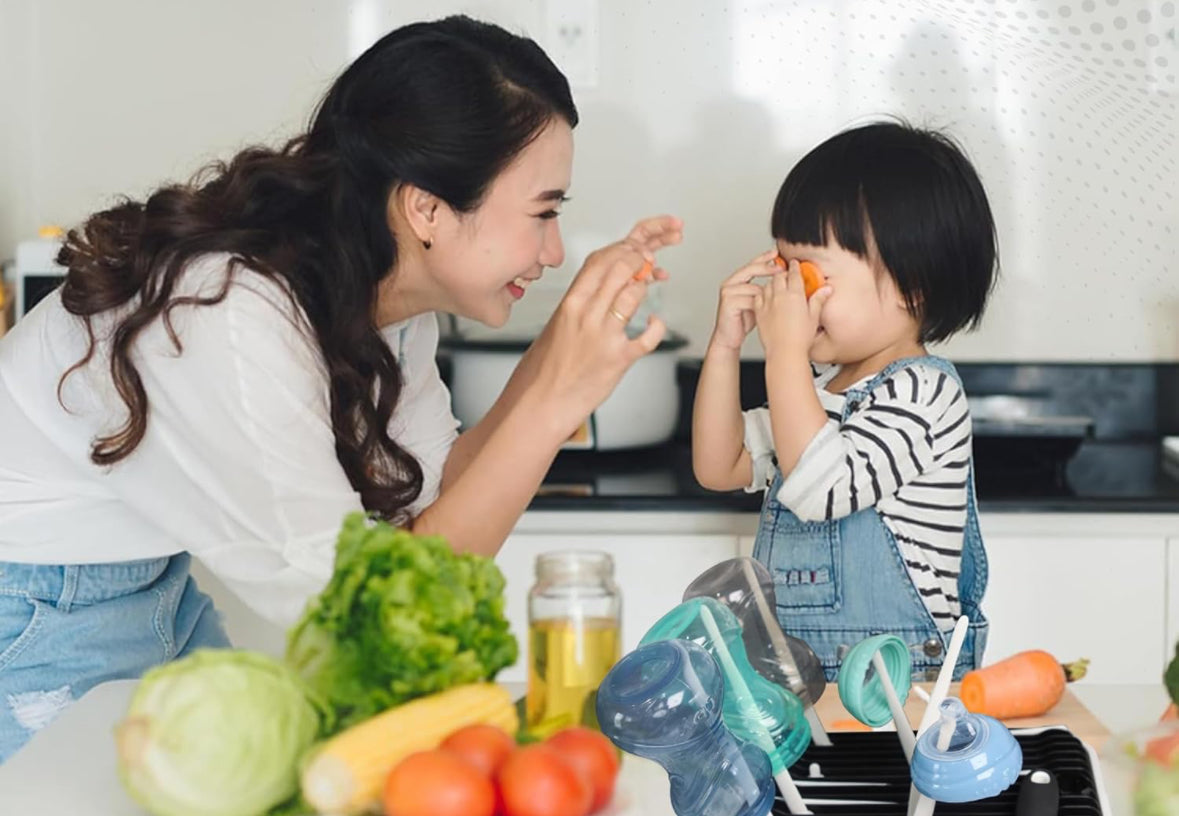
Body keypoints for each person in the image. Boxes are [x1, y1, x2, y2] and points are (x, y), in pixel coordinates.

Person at [0, 15, 681, 762]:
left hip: (148, 593)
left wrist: (565, 355)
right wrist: (553, 404)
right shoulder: (226, 313)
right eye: (543, 213)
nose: (553, 251)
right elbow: (359, 625)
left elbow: (435, 518)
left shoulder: (380, 303)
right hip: (36, 614)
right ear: (425, 208)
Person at [692, 120, 996, 681]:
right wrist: (724, 346)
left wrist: (783, 354)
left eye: (807, 274)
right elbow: (720, 465)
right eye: (783, 269)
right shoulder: (819, 391)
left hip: (899, 690)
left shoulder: (924, 392)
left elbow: (822, 487)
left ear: (912, 284)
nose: (787, 294)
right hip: (800, 681)